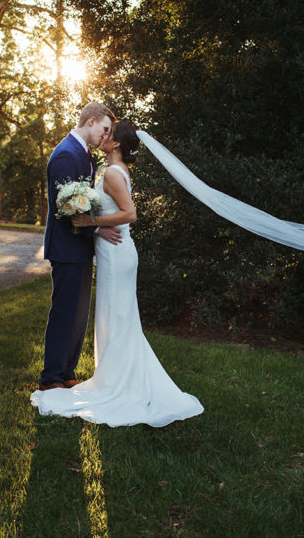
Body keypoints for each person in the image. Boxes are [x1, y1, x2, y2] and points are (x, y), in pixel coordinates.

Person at [32, 121, 204, 427]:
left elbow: (130, 213)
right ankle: (115, 378)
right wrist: (96, 222)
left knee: (118, 315)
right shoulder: (115, 169)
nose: (104, 135)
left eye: (109, 134)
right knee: (117, 315)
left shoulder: (113, 172)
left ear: (116, 146)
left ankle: (120, 384)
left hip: (117, 251)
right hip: (114, 252)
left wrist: (89, 223)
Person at [39, 102, 120, 391]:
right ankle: (51, 378)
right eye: (105, 129)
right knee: (64, 312)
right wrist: (99, 227)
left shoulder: (85, 155)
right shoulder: (65, 154)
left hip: (80, 247)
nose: (106, 136)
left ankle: (67, 372)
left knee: (79, 313)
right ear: (91, 121)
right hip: (66, 248)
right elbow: (68, 209)